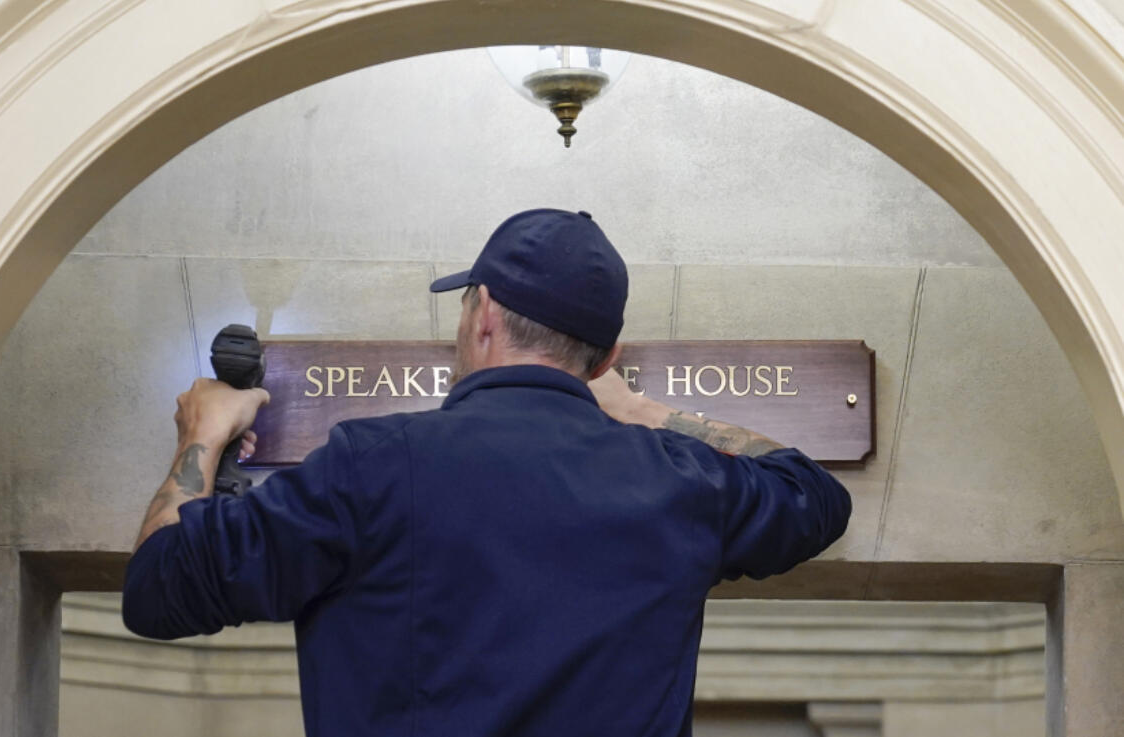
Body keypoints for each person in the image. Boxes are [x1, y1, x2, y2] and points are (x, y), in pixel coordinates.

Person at [123, 208, 851, 736]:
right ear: (604, 358)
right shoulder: (681, 481)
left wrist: (202, 437)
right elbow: (812, 493)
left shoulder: (368, 468)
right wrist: (644, 412)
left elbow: (157, 587)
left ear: (483, 317)